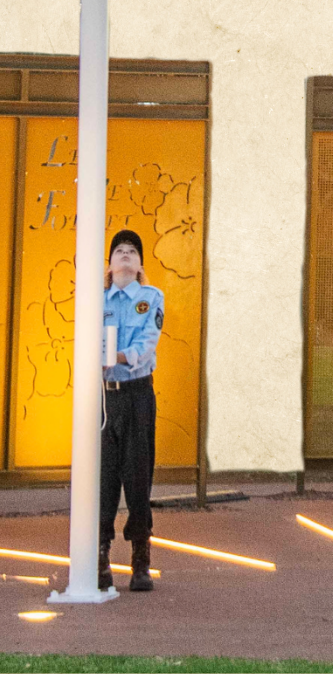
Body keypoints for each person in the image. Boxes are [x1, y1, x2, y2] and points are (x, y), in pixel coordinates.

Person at [98, 229, 164, 593]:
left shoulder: (151, 298)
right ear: (109, 265)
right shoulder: (96, 299)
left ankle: (140, 556)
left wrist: (113, 357)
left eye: (132, 251)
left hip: (137, 393)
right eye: (119, 250)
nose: (125, 254)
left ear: (139, 265)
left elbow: (146, 344)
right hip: (104, 397)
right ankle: (100, 555)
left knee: (138, 476)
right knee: (104, 476)